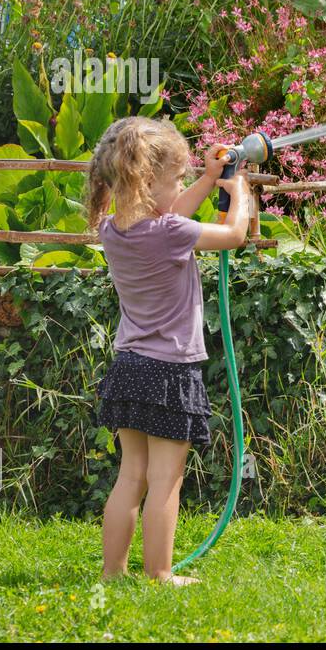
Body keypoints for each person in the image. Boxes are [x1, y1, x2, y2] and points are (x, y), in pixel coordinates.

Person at [82, 116, 251, 584]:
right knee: (165, 482)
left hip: (130, 367)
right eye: (175, 179)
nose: (181, 188)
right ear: (146, 181)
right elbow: (234, 237)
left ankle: (112, 573)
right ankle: (160, 573)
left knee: (130, 476)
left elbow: (171, 210)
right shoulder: (171, 232)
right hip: (171, 371)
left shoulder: (112, 230)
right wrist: (240, 195)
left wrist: (207, 179)